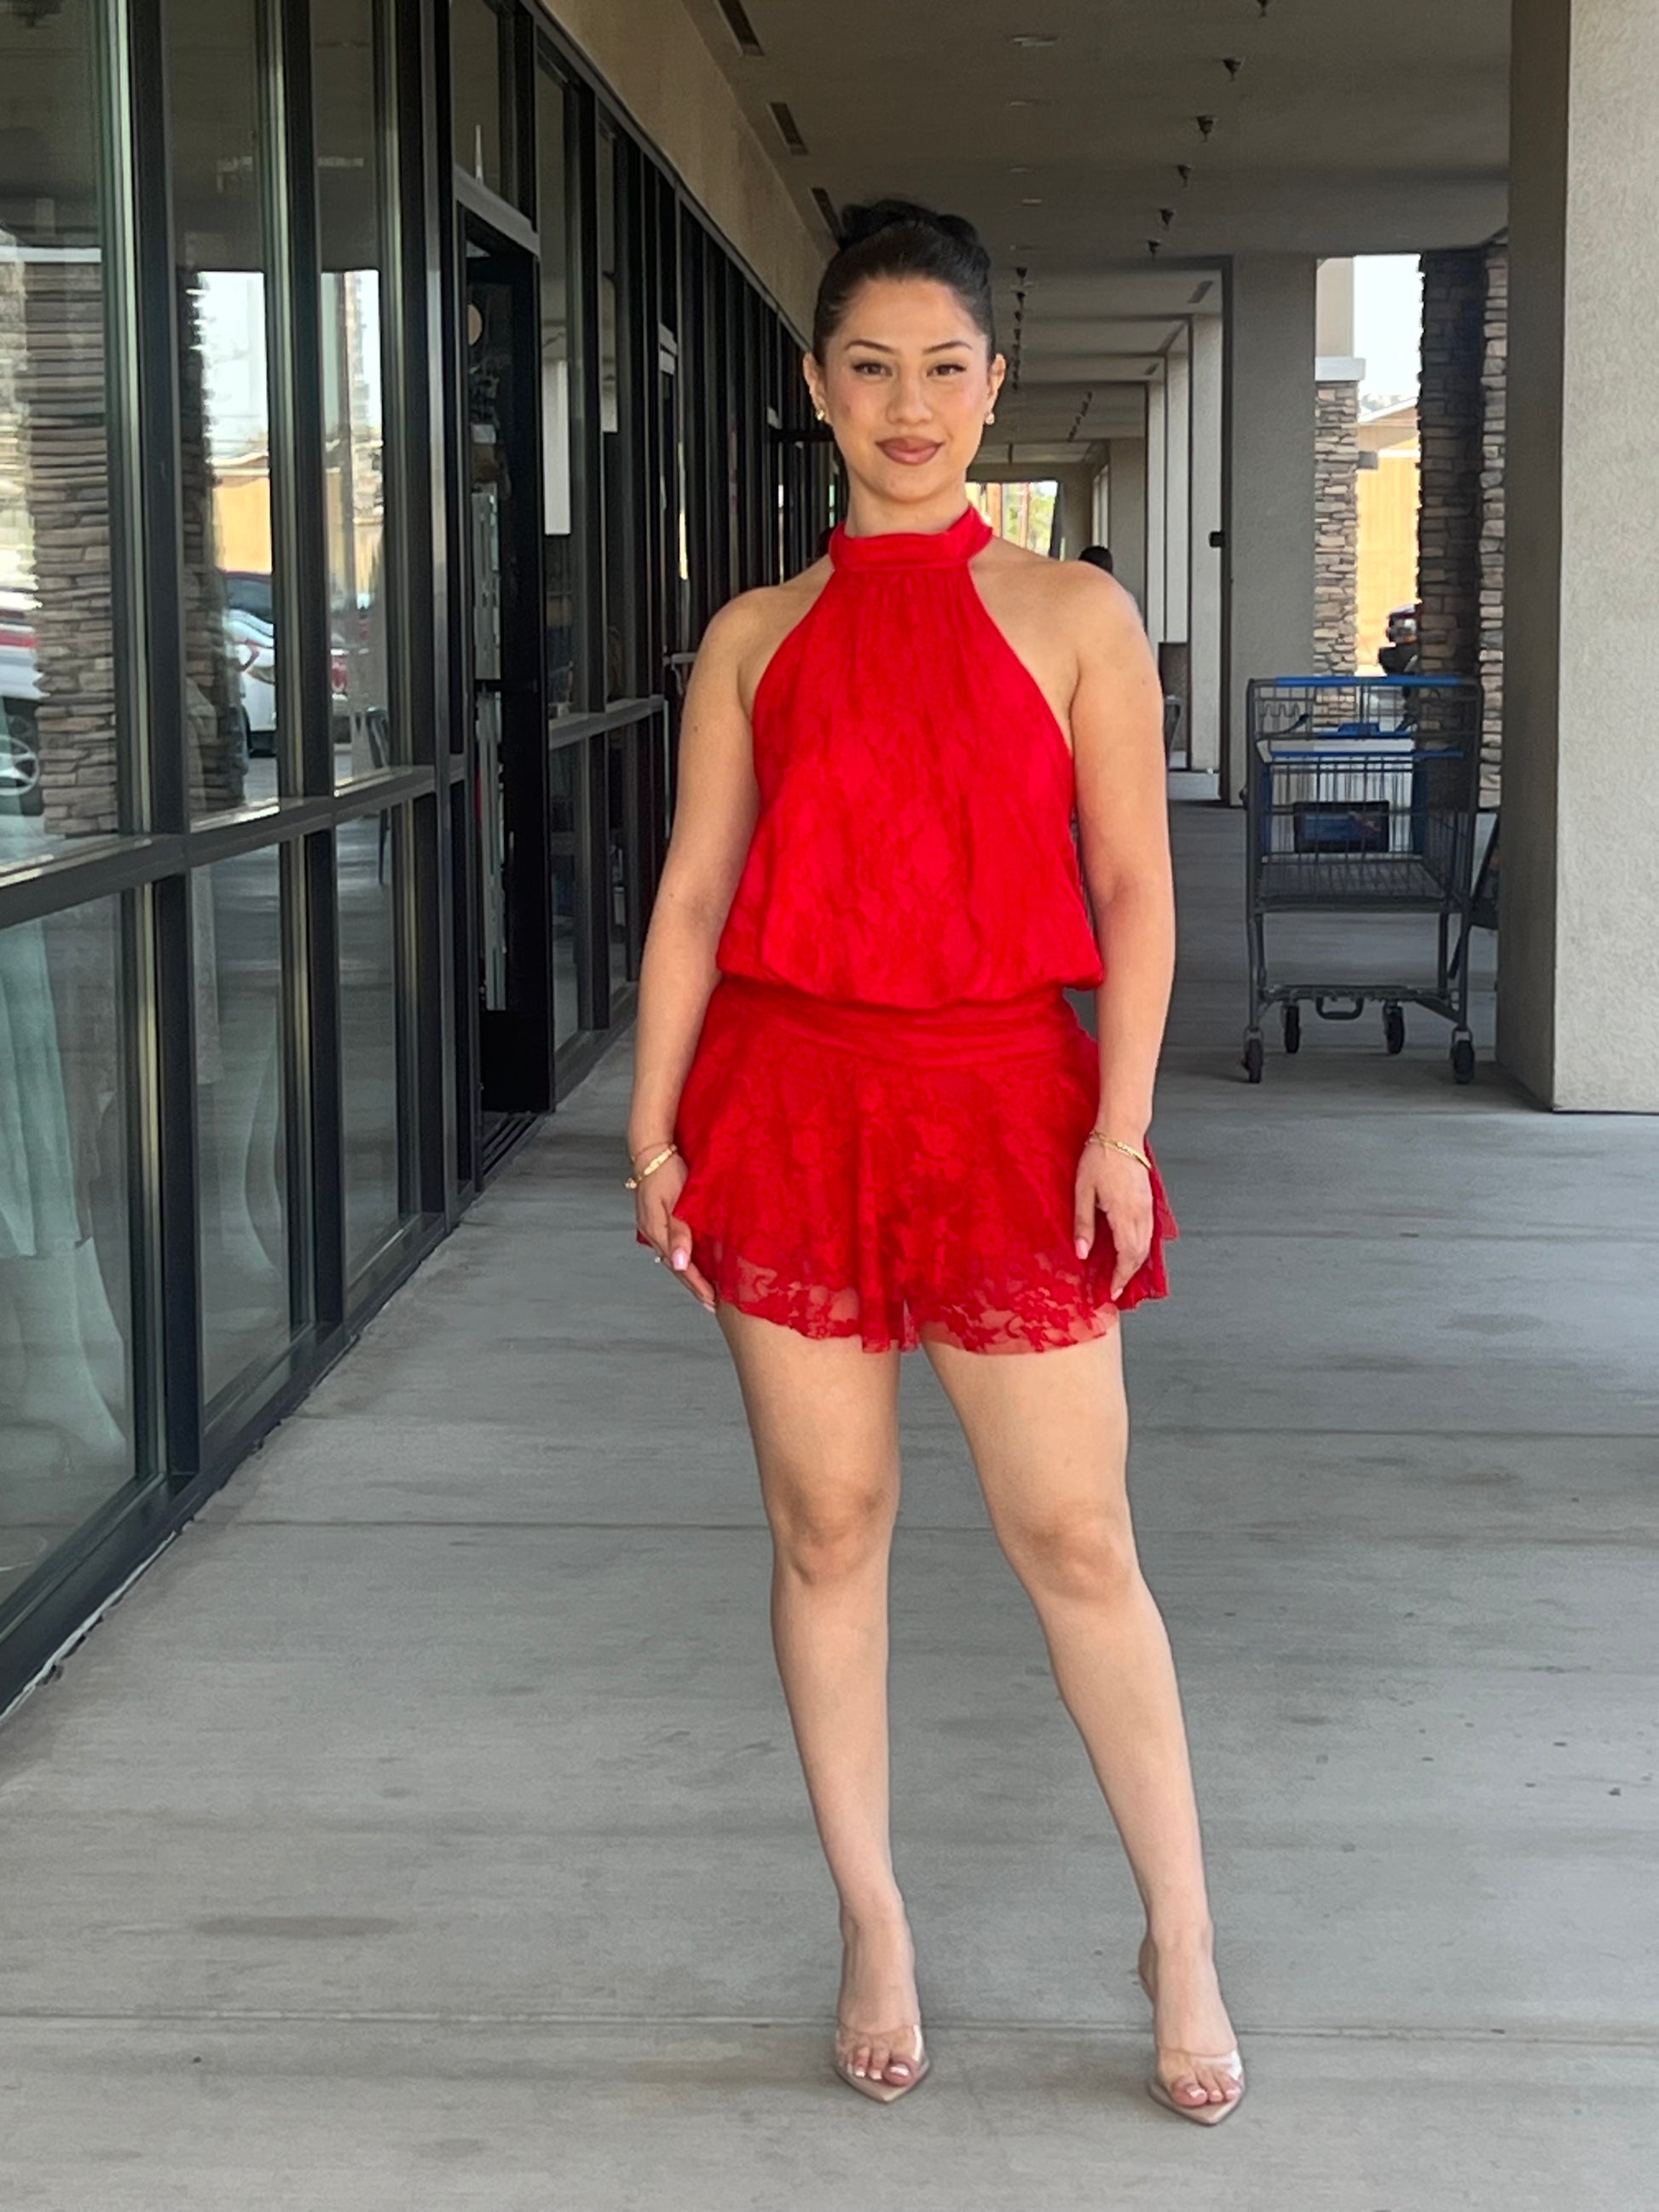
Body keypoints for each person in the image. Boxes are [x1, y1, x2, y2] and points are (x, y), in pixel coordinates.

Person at [625, 198, 1244, 2124]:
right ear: (818, 386)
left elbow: (1134, 892)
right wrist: (651, 1130)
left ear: (995, 386)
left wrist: (1121, 1124)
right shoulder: (755, 636)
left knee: (1077, 1538)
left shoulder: (1073, 615)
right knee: (829, 1529)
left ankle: (1180, 1934)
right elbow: (695, 895)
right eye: (870, 367)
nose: (908, 404)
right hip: (788, 1099)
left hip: (1007, 1104)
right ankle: (872, 1919)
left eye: (944, 368)